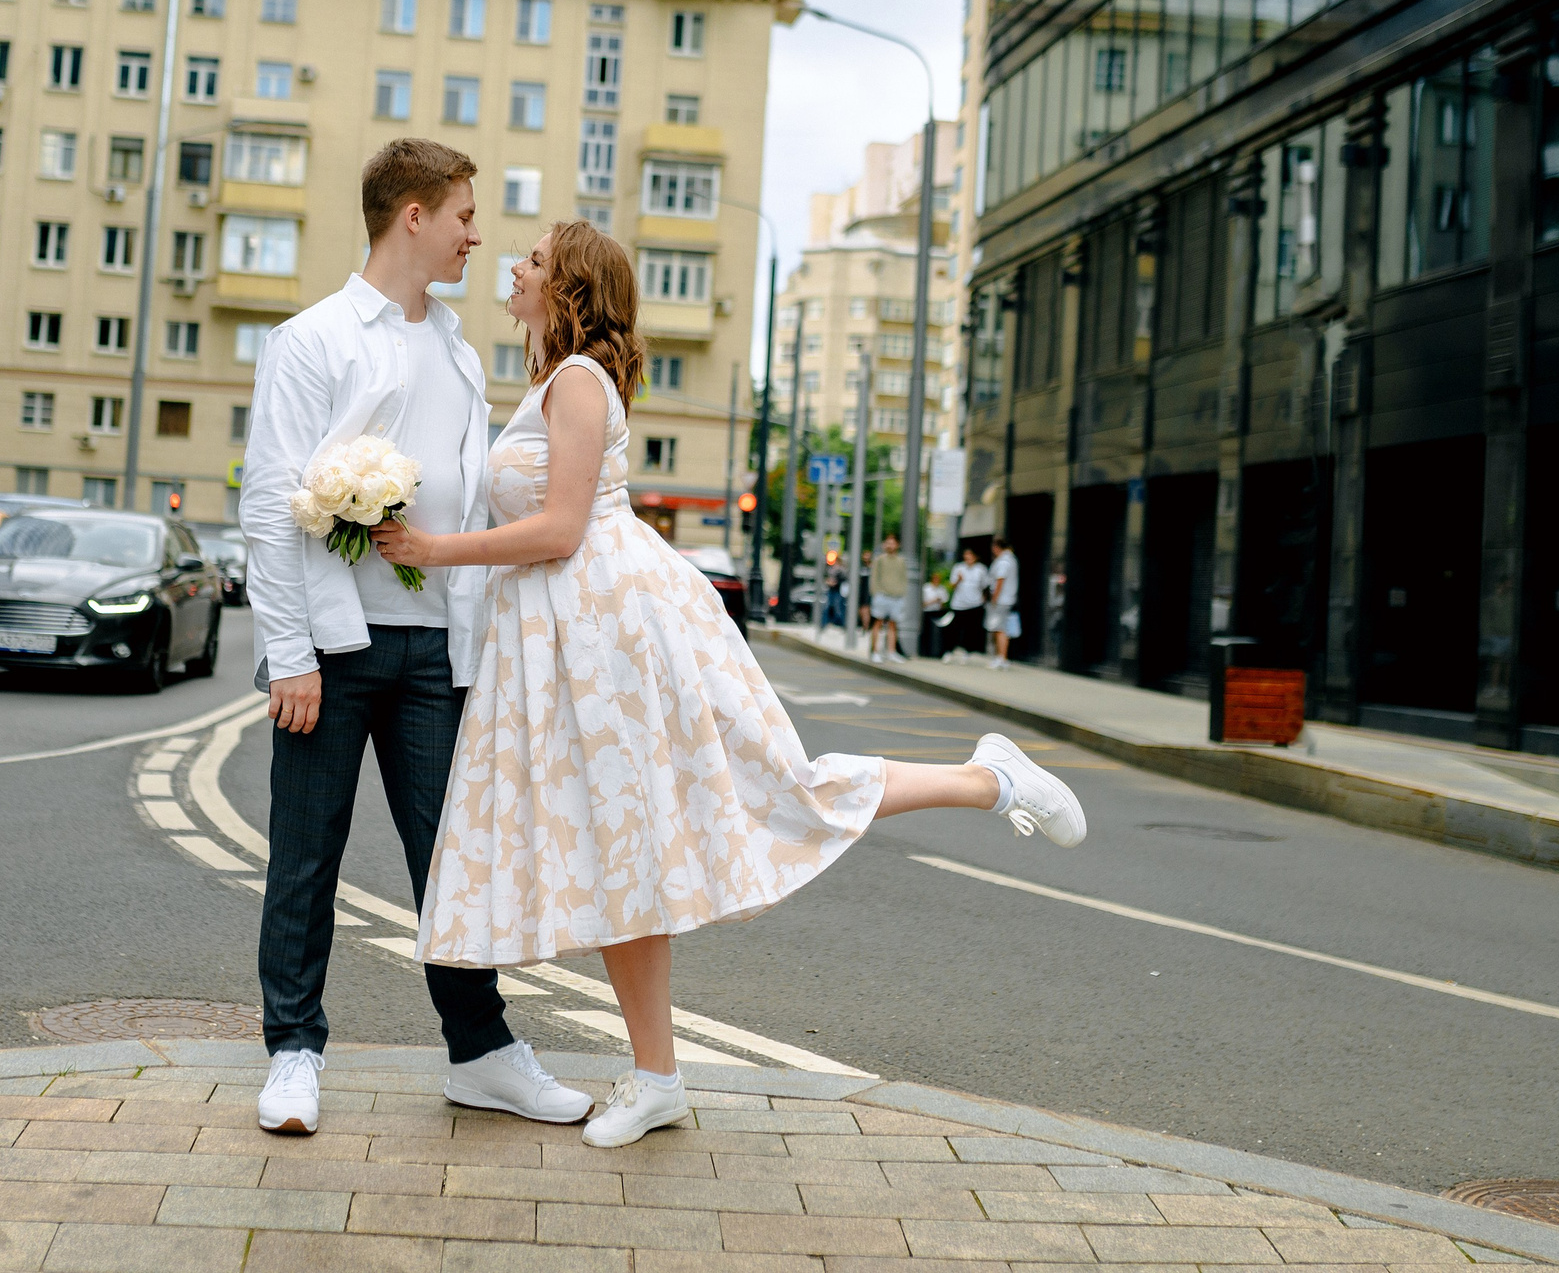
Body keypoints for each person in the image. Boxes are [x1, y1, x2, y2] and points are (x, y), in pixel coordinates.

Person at [375, 222, 1088, 1149]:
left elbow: (561, 529)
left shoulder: (579, 379)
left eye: (536, 260)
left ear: (571, 287)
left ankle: (989, 779)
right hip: (574, 642)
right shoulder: (557, 378)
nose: (516, 265)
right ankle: (657, 1079)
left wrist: (431, 549)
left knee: (764, 799)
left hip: (611, 638)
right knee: (620, 854)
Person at [239, 138, 588, 1141]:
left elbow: (470, 500)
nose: (477, 236)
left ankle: (480, 1053)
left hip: (439, 652)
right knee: (306, 857)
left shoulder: (461, 352)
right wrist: (291, 654)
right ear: (415, 216)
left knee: (453, 858)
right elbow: (269, 504)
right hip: (334, 651)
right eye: (466, 215)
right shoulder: (312, 341)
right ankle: (293, 1050)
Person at [942, 543, 990, 662]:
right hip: (959, 604)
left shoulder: (981, 569)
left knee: (970, 630)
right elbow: (952, 585)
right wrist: (958, 580)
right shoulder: (959, 568)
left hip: (974, 604)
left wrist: (983, 599)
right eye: (966, 555)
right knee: (954, 629)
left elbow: (985, 586)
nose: (967, 557)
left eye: (970, 555)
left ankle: (967, 652)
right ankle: (949, 651)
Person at [867, 533, 908, 663]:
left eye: (892, 543)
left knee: (893, 624)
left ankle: (891, 652)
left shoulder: (901, 561)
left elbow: (903, 578)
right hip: (882, 595)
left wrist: (901, 592)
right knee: (878, 623)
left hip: (896, 596)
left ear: (897, 545)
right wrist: (876, 592)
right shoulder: (879, 559)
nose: (890, 545)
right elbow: (874, 577)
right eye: (888, 543)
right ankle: (875, 651)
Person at [987, 538, 1022, 670]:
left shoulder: (1003, 561)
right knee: (1002, 629)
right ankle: (1001, 657)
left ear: (997, 547)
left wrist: (994, 599)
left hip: (1001, 600)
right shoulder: (1012, 559)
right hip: (1007, 599)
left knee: (999, 629)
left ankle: (1001, 658)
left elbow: (1000, 581)